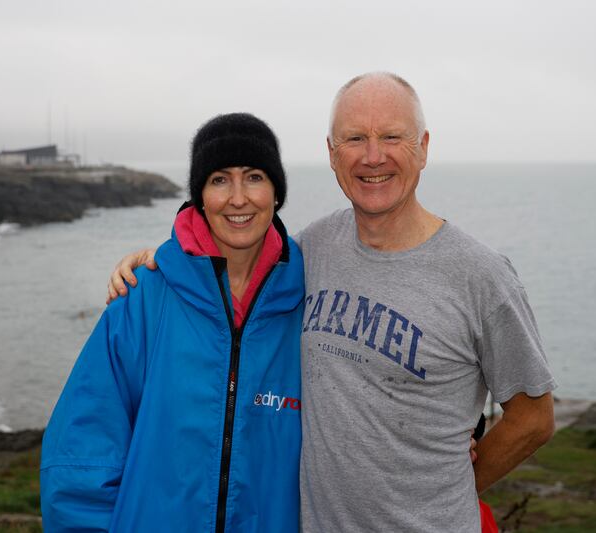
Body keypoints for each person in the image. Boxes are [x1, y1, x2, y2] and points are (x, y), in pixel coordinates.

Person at [107, 72, 557, 532]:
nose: (373, 156)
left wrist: (457, 487)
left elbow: (534, 419)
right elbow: (236, 261)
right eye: (355, 138)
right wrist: (159, 260)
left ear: (423, 146)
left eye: (392, 137)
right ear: (331, 153)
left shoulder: (481, 276)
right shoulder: (311, 251)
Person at [40, 113, 304, 532]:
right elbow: (80, 456)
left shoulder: (312, 302)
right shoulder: (142, 297)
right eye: (219, 179)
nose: (238, 198)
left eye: (254, 177)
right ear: (200, 195)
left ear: (276, 192)